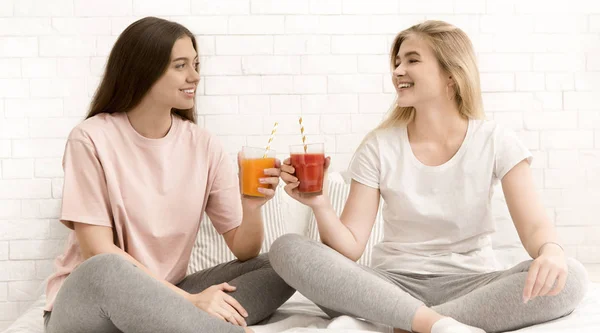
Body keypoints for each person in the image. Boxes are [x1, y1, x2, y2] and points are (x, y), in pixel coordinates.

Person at [270, 20, 589, 333]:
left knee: (570, 276)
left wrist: (551, 251)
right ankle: (430, 324)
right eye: (396, 62)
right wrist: (320, 204)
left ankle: (405, 323)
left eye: (412, 60)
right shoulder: (379, 146)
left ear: (451, 74)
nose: (397, 71)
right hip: (389, 285)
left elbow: (535, 226)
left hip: (472, 286)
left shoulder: (495, 141)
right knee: (287, 249)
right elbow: (351, 247)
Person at [43, 16, 294, 333]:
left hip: (168, 296)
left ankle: (172, 322)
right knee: (107, 267)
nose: (195, 76)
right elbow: (96, 250)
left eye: (196, 64)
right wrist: (191, 302)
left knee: (283, 262)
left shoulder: (204, 145)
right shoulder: (90, 138)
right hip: (92, 303)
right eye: (180, 65)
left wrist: (252, 205)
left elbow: (244, 250)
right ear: (143, 69)